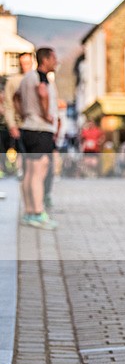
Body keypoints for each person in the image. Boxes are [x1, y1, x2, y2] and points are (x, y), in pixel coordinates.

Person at [12, 47, 60, 230]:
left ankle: (30, 212)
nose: (55, 62)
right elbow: (42, 92)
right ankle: (38, 213)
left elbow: (16, 97)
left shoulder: (26, 78)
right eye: (53, 59)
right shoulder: (40, 76)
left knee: (30, 172)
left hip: (29, 128)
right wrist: (46, 114)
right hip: (40, 129)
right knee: (39, 172)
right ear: (45, 60)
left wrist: (23, 113)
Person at [2, 51, 32, 175]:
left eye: (28, 63)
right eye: (23, 63)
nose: (25, 66)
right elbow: (8, 105)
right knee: (22, 155)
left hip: (36, 125)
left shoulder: (38, 79)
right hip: (20, 124)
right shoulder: (13, 81)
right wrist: (12, 124)